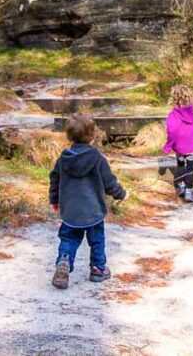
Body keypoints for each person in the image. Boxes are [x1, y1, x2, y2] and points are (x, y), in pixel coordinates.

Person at [49, 114, 127, 290]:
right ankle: (98, 269)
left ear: (69, 136)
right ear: (92, 136)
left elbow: (54, 180)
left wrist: (54, 200)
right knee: (97, 240)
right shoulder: (97, 158)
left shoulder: (63, 159)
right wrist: (121, 194)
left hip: (71, 211)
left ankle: (64, 261)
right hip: (94, 210)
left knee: (68, 238)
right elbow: (110, 183)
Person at [163, 85, 193, 203]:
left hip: (180, 148)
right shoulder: (192, 113)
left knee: (181, 165)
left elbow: (172, 132)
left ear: (174, 99)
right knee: (190, 168)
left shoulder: (173, 115)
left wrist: (168, 146)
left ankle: (181, 187)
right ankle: (189, 191)